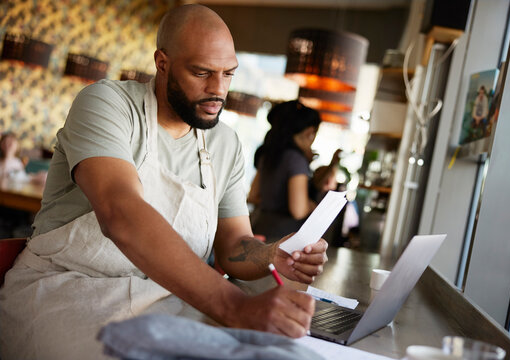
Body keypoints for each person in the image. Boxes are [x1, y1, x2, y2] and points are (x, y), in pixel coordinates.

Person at [0, 5, 328, 360]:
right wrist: (235, 306)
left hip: (173, 299)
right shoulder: (107, 104)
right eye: (202, 73)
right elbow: (120, 211)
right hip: (69, 293)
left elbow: (233, 245)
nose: (218, 90)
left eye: (228, 74)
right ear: (162, 63)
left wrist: (271, 254)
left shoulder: (225, 144)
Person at [248, 100, 337, 243]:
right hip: (282, 238)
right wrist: (315, 206)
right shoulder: (296, 160)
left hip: (259, 229)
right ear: (309, 132)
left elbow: (253, 196)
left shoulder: (269, 154)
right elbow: (298, 210)